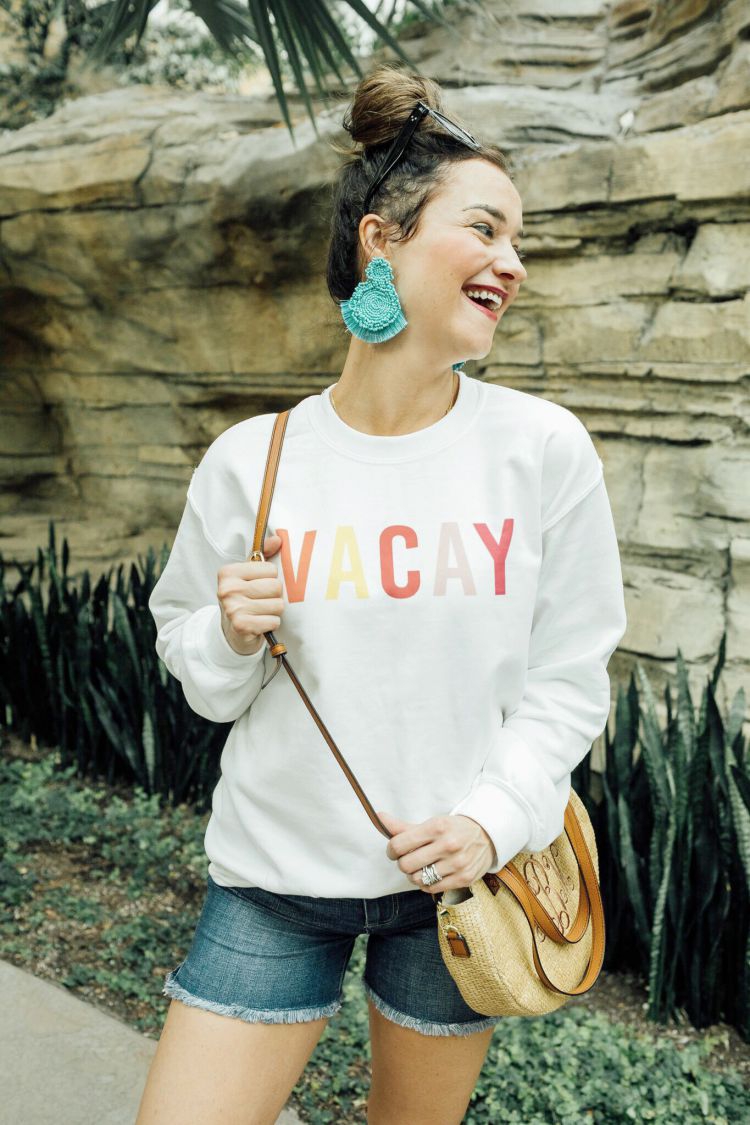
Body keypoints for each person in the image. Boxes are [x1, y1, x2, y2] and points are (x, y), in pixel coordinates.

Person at [136, 62, 627, 1125]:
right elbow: (202, 678)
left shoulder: (540, 452)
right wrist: (226, 632)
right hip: (274, 878)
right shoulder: (251, 460)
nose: (515, 261)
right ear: (383, 239)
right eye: (487, 230)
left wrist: (493, 819)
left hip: (458, 892)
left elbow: (570, 674)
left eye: (518, 240)